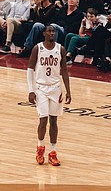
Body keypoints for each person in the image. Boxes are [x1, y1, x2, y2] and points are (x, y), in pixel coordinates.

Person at [27, 25, 71, 166]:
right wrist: (31, 90)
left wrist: (68, 90)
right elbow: (30, 69)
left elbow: (64, 71)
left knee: (54, 121)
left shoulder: (60, 49)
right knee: (43, 120)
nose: (52, 33)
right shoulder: (37, 48)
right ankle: (40, 148)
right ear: (44, 33)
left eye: (54, 31)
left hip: (55, 88)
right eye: (49, 31)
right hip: (41, 88)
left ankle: (53, 152)